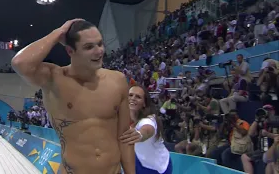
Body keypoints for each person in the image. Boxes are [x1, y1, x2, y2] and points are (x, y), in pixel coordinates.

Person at [12, 19, 135, 174]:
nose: (99, 51)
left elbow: (125, 139)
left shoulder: (117, 80)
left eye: (100, 44)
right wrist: (59, 32)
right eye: (89, 47)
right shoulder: (54, 79)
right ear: (70, 51)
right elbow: (20, 63)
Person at [119, 85, 172, 174]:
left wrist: (140, 134)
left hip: (157, 168)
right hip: (139, 161)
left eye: (138, 97)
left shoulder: (149, 119)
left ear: (144, 103)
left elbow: (148, 129)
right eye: (130, 95)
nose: (133, 98)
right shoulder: (122, 119)